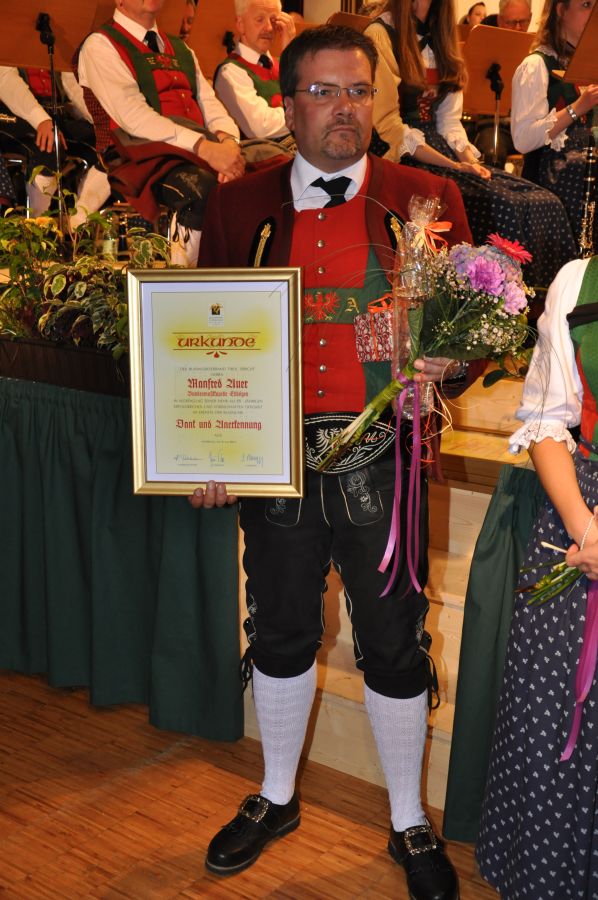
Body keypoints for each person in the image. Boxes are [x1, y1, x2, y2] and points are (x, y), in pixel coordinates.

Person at [190, 23, 478, 900]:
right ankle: (276, 795)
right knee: (279, 628)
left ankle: (408, 817)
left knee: (393, 641)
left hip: (386, 464)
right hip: (275, 462)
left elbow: (466, 335)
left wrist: (449, 362)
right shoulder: (237, 206)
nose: (343, 108)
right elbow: (202, 340)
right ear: (287, 106)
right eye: (322, 92)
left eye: (357, 90)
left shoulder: (428, 197)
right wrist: (205, 447)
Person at [476, 253, 598, 898]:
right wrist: (586, 530)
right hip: (585, 517)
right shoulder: (579, 281)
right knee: (550, 713)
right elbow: (548, 418)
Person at [364, 0, 578, 289]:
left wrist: (470, 162)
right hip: (401, 154)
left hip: (440, 149)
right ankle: (505, 299)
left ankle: (552, 298)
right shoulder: (381, 34)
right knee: (507, 206)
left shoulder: (441, 35)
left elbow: (449, 122)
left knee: (543, 201)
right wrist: (454, 165)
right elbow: (390, 125)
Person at [78, 0, 245, 266]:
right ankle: (183, 281)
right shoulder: (100, 45)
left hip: (198, 147)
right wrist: (204, 148)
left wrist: (228, 144)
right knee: (200, 189)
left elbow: (210, 104)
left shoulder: (181, 48)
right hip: (136, 153)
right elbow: (134, 118)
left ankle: (248, 280)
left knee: (268, 177)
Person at [511, 0, 598, 251]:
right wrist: (577, 108)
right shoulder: (536, 65)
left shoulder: (589, 65)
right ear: (560, 10)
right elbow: (523, 139)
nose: (593, 13)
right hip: (551, 178)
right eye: (585, 5)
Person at [0, 66, 110, 223]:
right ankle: (38, 225)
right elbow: (5, 80)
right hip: (13, 111)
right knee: (49, 144)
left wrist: (101, 120)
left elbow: (72, 84)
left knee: (112, 145)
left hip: (55, 113)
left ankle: (77, 224)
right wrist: (41, 119)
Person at [213, 0, 296, 156]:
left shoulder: (284, 63)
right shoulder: (230, 71)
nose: (269, 28)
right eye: (260, 20)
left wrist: (292, 56)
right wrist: (304, 112)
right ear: (240, 25)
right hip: (266, 161)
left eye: (273, 20)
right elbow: (260, 127)